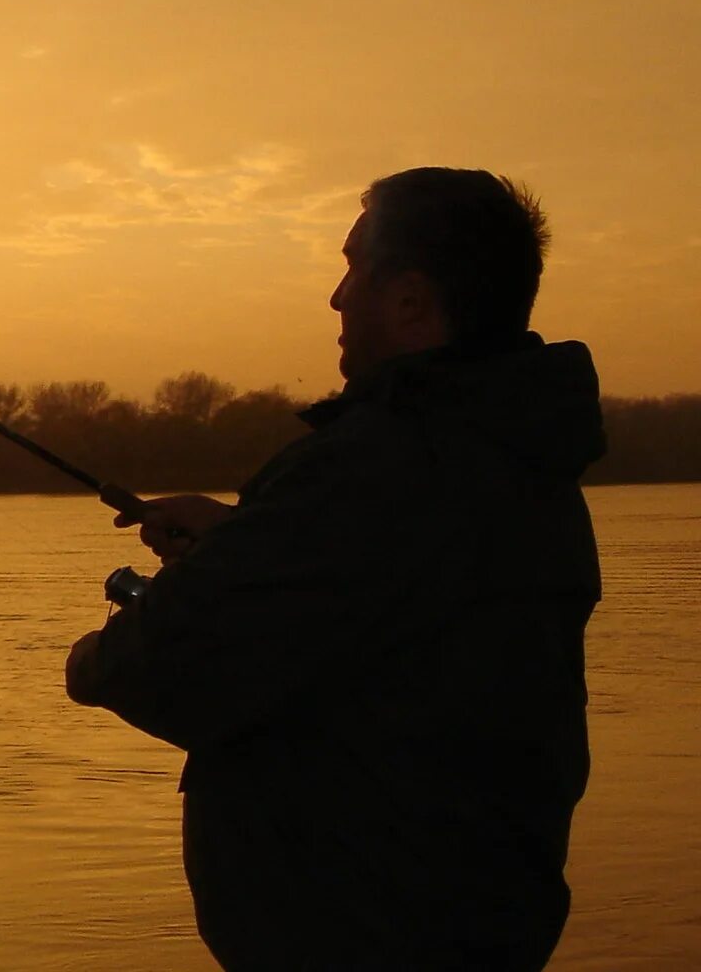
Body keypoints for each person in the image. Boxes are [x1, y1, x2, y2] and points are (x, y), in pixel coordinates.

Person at [65, 168, 603, 971]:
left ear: (412, 301)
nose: (336, 296)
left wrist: (97, 653)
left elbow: (166, 665)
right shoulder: (521, 462)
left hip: (366, 933)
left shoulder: (374, 468)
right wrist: (247, 537)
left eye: (353, 267)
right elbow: (391, 614)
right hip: (487, 919)